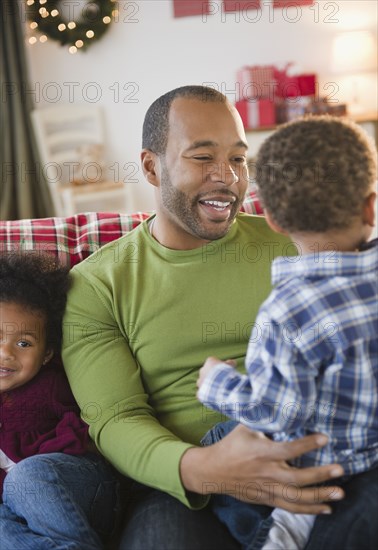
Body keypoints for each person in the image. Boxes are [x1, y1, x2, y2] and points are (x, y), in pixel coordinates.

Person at [62, 86, 348, 550]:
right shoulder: (97, 285)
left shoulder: (294, 242)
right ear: (152, 166)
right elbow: (115, 418)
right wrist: (204, 469)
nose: (228, 178)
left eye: (238, 159)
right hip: (187, 478)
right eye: (202, 158)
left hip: (312, 447)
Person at [197, 116, 378, 549]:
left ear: (273, 219)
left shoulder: (288, 310)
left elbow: (277, 411)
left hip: (327, 474)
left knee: (219, 447)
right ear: (370, 207)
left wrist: (217, 384)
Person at [0, 251, 118, 550]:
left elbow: (84, 432)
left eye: (24, 343)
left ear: (47, 354)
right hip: (20, 511)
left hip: (77, 487)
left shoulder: (50, 386)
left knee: (28, 477)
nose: (6, 353)